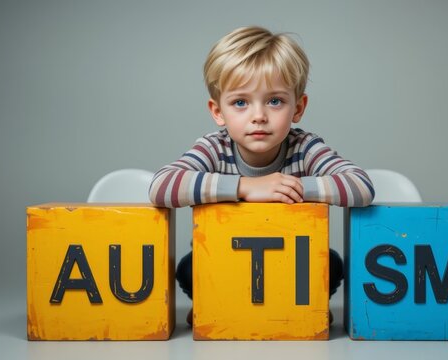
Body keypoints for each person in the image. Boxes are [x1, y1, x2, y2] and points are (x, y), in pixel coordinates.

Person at [149, 26, 374, 325]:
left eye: (275, 101)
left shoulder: (304, 148)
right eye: (240, 102)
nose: (259, 116)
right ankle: (211, 303)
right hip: (225, 263)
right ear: (218, 112)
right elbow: (161, 186)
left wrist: (292, 187)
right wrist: (245, 187)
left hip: (288, 264)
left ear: (298, 107)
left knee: (331, 264)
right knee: (189, 267)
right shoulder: (214, 148)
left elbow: (360, 186)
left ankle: (309, 305)